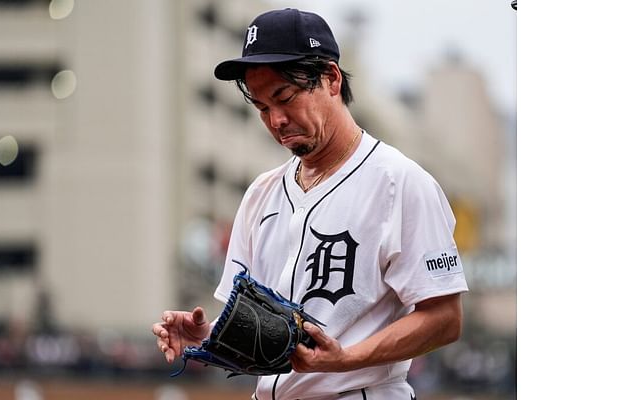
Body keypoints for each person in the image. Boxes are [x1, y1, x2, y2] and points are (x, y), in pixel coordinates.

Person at [152, 8, 468, 400]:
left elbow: (444, 318)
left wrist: (345, 358)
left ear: (331, 79)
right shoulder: (261, 194)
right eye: (263, 108)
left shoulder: (400, 182)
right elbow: (267, 327)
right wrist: (210, 335)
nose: (276, 120)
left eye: (285, 97)